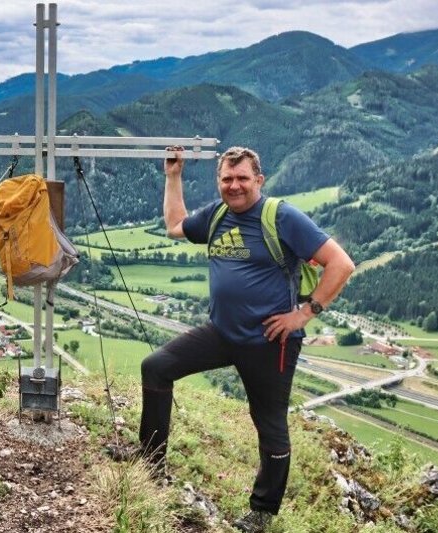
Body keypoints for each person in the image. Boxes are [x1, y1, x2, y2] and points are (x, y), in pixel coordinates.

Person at [137, 146, 355, 532]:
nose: (234, 186)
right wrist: (173, 176)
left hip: (270, 342)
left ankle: (262, 511)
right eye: (227, 178)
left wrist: (305, 313)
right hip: (222, 332)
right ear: (219, 181)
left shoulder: (282, 217)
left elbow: (341, 263)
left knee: (268, 422)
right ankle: (150, 465)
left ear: (259, 180)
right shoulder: (218, 215)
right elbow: (176, 224)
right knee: (156, 368)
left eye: (242, 178)